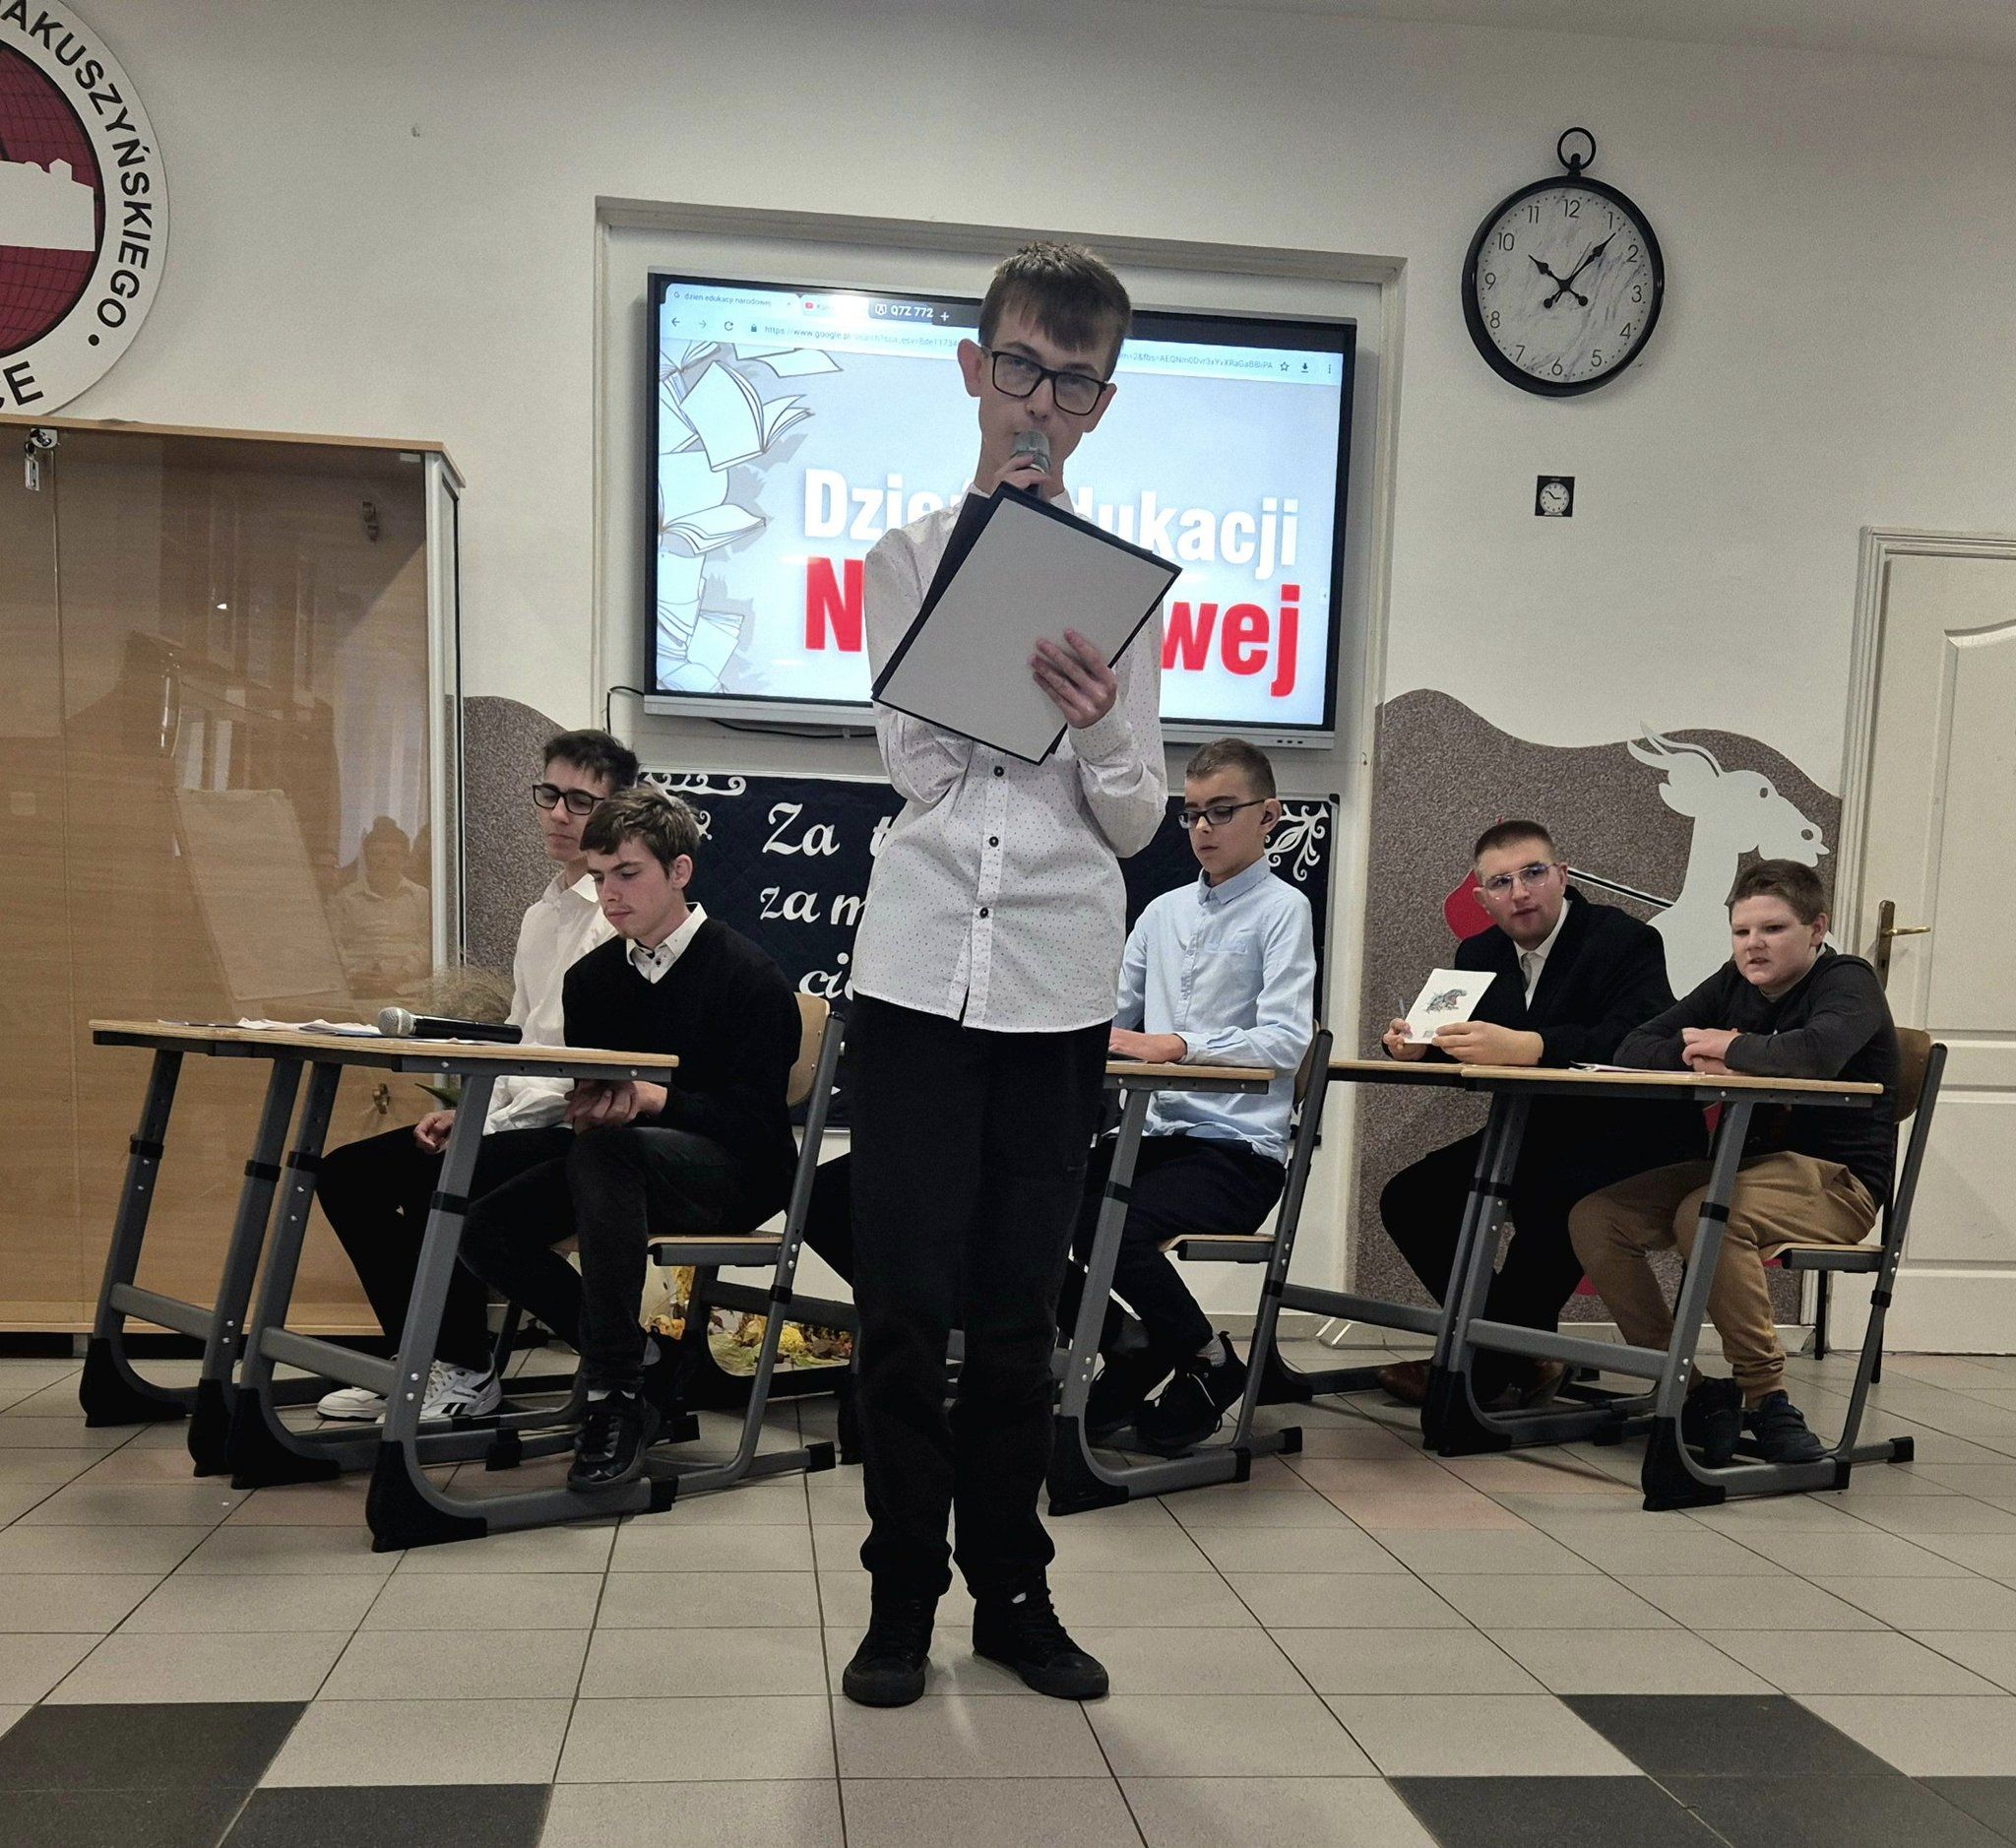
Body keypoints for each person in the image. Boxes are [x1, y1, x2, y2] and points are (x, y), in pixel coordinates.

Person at [841, 241, 1164, 1709]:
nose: (1041, 401)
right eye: (1022, 367)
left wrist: (1096, 724)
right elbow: (914, 766)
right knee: (904, 1303)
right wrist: (988, 580)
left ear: (1102, 402)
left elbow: (1137, 819)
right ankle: (899, 1596)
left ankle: (1013, 1592)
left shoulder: (1126, 590)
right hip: (918, 967)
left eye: (1073, 382)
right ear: (977, 369)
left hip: (1054, 977)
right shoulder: (902, 556)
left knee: (1022, 1309)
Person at [458, 788, 802, 1491]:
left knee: (609, 1152)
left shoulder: (749, 975)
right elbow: (597, 1106)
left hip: (738, 1172)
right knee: (484, 1217)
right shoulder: (590, 980)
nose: (609, 893)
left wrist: (655, 1098)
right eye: (599, 876)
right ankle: (645, 1361)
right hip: (619, 1162)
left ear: (679, 871)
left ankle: (614, 1390)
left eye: (627, 873)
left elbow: (759, 1124)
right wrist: (587, 1105)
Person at [313, 729, 636, 1422]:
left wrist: (485, 1126)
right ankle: (420, 1356)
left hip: (572, 1130)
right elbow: (520, 1040)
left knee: (438, 1178)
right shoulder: (541, 915)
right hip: (516, 1117)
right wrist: (476, 1115)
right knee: (345, 1175)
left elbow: (579, 1070)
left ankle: (464, 1366)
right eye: (549, 794)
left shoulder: (617, 918)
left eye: (580, 801)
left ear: (618, 810)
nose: (558, 814)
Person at [1571, 859, 1899, 1465]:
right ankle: (1688, 1388)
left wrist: (1731, 1046)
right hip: (1743, 1169)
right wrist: (1708, 1053)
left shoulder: (1847, 981)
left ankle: (1766, 1398)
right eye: (1742, 931)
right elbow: (1635, 1045)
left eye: (1773, 929)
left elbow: (1816, 1054)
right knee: (1596, 1217)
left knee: (1707, 1216)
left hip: (1837, 1182)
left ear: (1817, 929)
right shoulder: (1733, 983)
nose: (1753, 944)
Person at [1376, 820, 1700, 1407]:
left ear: (1563, 876)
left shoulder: (1624, 939)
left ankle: (1480, 1366)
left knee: (1555, 1200)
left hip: (1632, 1137)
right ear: (1483, 900)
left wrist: (1533, 1045)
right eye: (1502, 882)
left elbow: (1635, 1040)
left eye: (1533, 873)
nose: (1520, 892)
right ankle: (1516, 1352)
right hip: (1534, 1134)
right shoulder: (1477, 953)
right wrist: (1414, 1045)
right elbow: (1455, 1036)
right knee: (1410, 1198)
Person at [1067, 737, 1315, 1454]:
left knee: (1112, 1222)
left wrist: (1178, 1044)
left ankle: (1208, 1358)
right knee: (1031, 1205)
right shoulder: (1161, 912)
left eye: (1223, 811)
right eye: (1193, 813)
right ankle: (1134, 1342)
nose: (1204, 827)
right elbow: (1113, 1019)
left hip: (1236, 1151)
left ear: (1269, 815)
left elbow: (1286, 1039)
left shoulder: (1283, 909)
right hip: (1152, 1138)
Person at [328, 816, 432, 993]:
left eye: (392, 854)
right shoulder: (345, 898)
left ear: (404, 858)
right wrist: (355, 973)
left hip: (407, 989)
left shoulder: (421, 897)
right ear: (366, 858)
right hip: (355, 988)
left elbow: (427, 943)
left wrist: (402, 975)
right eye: (376, 853)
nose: (383, 860)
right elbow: (332, 944)